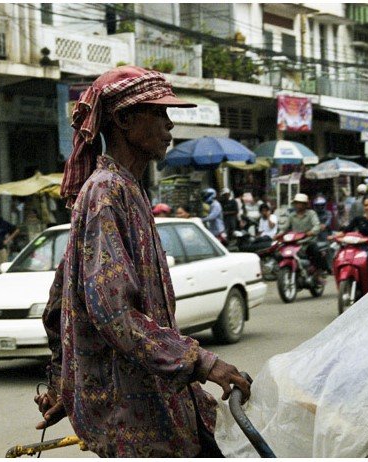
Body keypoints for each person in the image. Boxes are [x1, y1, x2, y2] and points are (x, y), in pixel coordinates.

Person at [34, 65, 250, 458]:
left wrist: (66, 384)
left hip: (165, 405)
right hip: (136, 422)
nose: (169, 126)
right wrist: (202, 362)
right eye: (159, 113)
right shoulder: (105, 193)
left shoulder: (126, 191)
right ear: (123, 120)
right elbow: (114, 314)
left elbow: (59, 302)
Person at [329, 195, 368, 286]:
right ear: (363, 207)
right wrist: (334, 236)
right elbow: (345, 231)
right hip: (360, 248)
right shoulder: (358, 219)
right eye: (366, 205)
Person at [283, 193, 326, 280]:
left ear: (305, 204)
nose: (298, 205)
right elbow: (285, 228)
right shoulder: (291, 216)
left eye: (301, 203)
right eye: (297, 203)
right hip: (295, 243)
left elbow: (317, 225)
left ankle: (317, 274)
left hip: (308, 242)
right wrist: (278, 235)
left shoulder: (311, 214)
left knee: (315, 251)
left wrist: (311, 232)